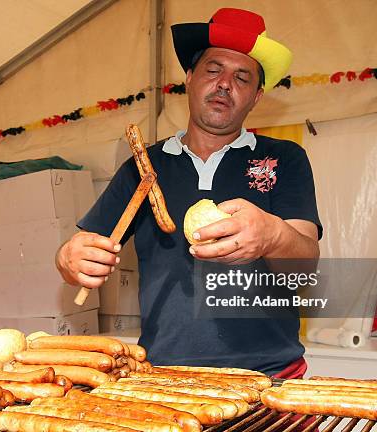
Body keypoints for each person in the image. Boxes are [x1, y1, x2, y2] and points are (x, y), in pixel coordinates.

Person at [55, 8, 322, 377]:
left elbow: (306, 265)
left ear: (257, 97)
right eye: (213, 70)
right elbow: (83, 249)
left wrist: (272, 235)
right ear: (189, 78)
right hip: (165, 379)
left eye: (242, 77)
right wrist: (68, 260)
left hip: (271, 378)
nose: (225, 83)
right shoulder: (143, 167)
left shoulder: (284, 159)